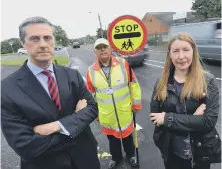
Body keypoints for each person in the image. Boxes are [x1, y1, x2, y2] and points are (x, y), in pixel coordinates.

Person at [1, 16, 100, 169]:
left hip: (86, 158)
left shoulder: (71, 75)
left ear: (54, 40)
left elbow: (92, 108)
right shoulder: (7, 89)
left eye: (47, 38)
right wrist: (74, 121)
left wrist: (53, 127)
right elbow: (25, 145)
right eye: (34, 38)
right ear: (23, 44)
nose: (42, 44)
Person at [150, 33, 220, 169]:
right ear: (170, 55)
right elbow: (155, 117)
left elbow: (208, 122)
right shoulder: (161, 83)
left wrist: (168, 118)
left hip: (199, 152)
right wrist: (193, 119)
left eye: (186, 50)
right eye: (175, 51)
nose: (181, 56)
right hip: (171, 151)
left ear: (193, 52)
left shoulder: (207, 81)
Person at [86, 38, 142, 169]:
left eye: (105, 47)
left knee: (128, 137)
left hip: (125, 111)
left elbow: (134, 85)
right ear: (95, 52)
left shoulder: (123, 64)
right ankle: (116, 158)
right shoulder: (90, 71)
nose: (102, 50)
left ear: (110, 49)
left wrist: (137, 104)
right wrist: (94, 114)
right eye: (99, 48)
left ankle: (131, 155)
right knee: (113, 140)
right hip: (106, 115)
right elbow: (90, 95)